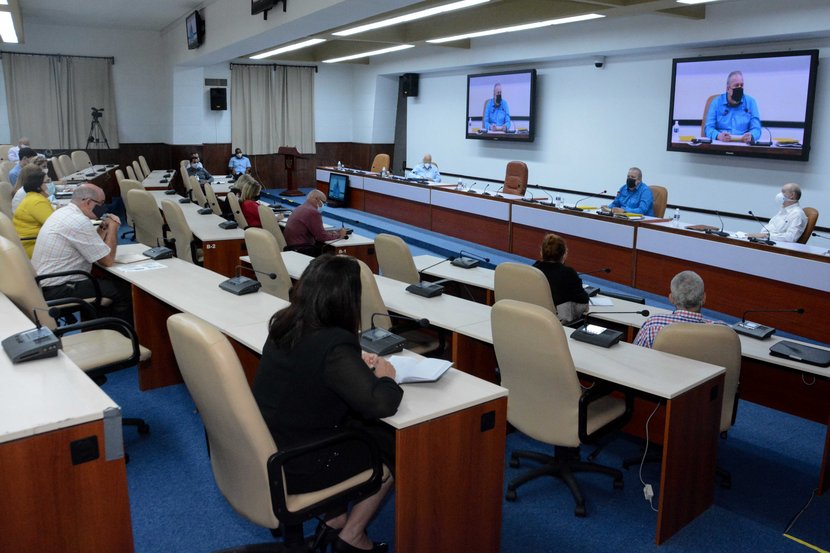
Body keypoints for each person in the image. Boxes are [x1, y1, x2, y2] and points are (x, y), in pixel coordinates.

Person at [252, 254, 401, 553]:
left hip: (267, 446)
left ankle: (334, 519)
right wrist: (386, 377)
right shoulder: (333, 343)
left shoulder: (284, 323)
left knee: (354, 425)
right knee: (391, 443)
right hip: (300, 463)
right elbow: (380, 405)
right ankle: (353, 535)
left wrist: (351, 364)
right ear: (346, 299)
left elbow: (310, 372)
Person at [32, 183, 133, 323]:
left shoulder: (64, 213)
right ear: (89, 202)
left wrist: (103, 227)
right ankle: (120, 334)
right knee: (125, 293)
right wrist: (113, 229)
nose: (104, 208)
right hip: (59, 287)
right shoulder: (78, 221)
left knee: (108, 284)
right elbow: (107, 260)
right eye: (101, 203)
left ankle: (98, 327)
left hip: (46, 282)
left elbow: (92, 246)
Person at [633, 270, 725, 349]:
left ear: (671, 298)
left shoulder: (653, 325)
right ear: (704, 298)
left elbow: (635, 358)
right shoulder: (722, 331)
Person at [532, 233, 589, 324]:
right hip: (559, 323)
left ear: (541, 253)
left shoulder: (534, 270)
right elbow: (584, 302)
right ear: (564, 254)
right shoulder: (568, 273)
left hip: (535, 316)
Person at [283, 189, 347, 256]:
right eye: (324, 202)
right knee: (330, 255)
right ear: (317, 199)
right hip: (302, 249)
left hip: (291, 247)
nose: (324, 205)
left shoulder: (301, 207)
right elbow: (322, 237)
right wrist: (339, 234)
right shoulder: (313, 212)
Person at [704, 70, 762, 143]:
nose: (739, 88)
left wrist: (752, 136)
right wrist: (718, 136)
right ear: (728, 89)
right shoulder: (716, 102)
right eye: (736, 85)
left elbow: (757, 129)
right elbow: (708, 128)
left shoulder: (751, 102)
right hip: (721, 144)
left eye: (741, 85)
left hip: (743, 145)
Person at [12, 166, 55, 258]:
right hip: (33, 245)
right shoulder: (37, 202)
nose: (50, 184)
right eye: (47, 182)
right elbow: (56, 225)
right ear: (38, 186)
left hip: (35, 241)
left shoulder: (33, 197)